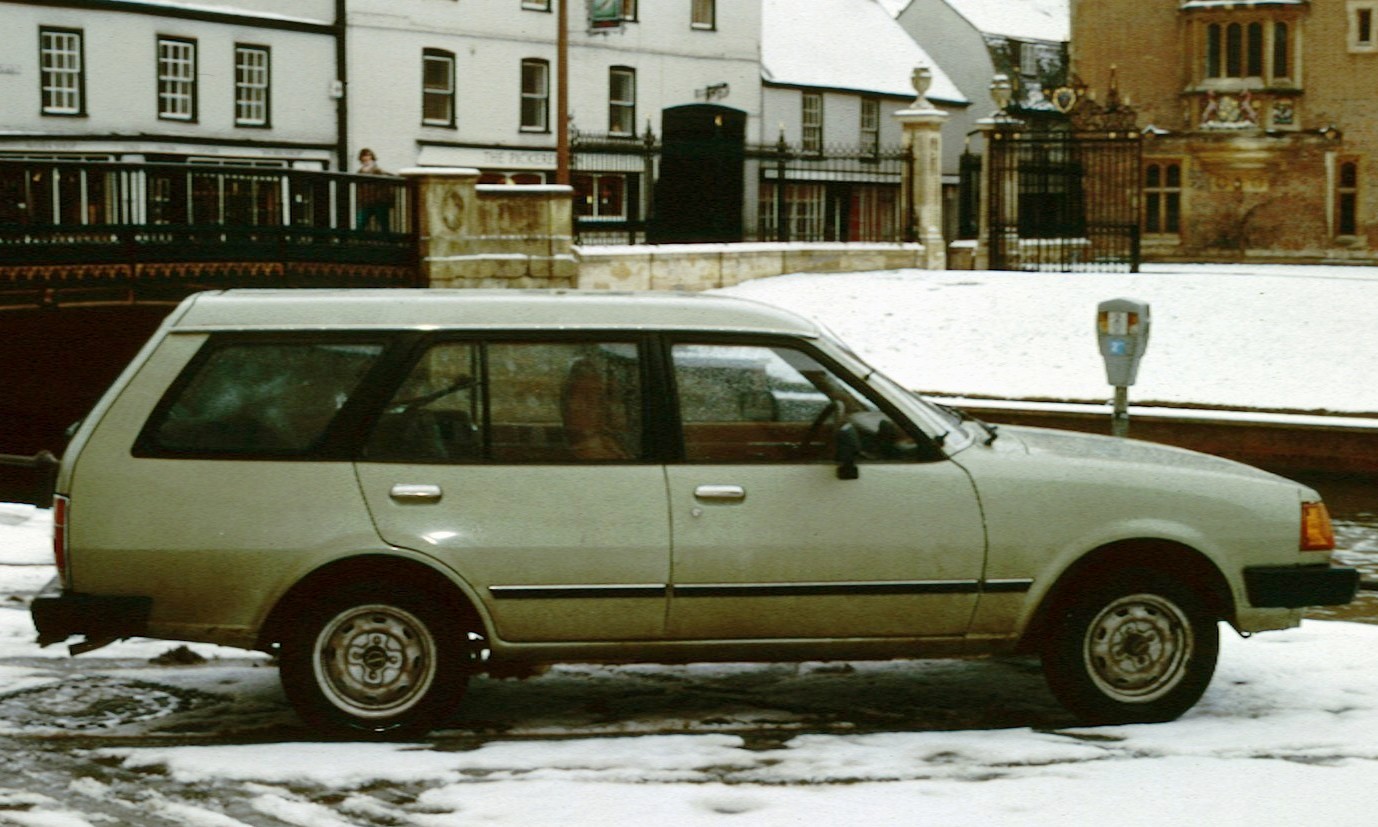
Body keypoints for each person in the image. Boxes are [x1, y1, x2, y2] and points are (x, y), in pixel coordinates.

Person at [355, 148, 393, 231]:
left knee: (384, 225)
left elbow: (386, 185)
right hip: (366, 202)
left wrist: (383, 198)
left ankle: (387, 242)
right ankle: (356, 241)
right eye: (364, 156)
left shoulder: (378, 171)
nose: (366, 158)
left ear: (372, 157)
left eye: (368, 155)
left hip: (378, 202)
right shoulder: (359, 172)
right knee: (360, 223)